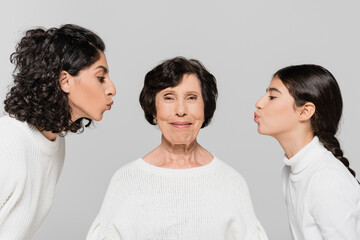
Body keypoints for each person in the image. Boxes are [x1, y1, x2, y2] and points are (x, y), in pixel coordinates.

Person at [86, 56, 267, 240]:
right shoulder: (125, 182)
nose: (181, 110)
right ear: (154, 110)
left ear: (205, 108)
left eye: (191, 98)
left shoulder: (231, 183)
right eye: (169, 98)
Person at [0, 24, 116, 239]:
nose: (112, 89)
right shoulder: (7, 143)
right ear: (65, 81)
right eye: (101, 78)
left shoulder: (54, 143)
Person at [254, 64, 360, 240]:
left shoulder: (326, 179)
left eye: (272, 96)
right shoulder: (291, 171)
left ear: (305, 111)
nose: (259, 103)